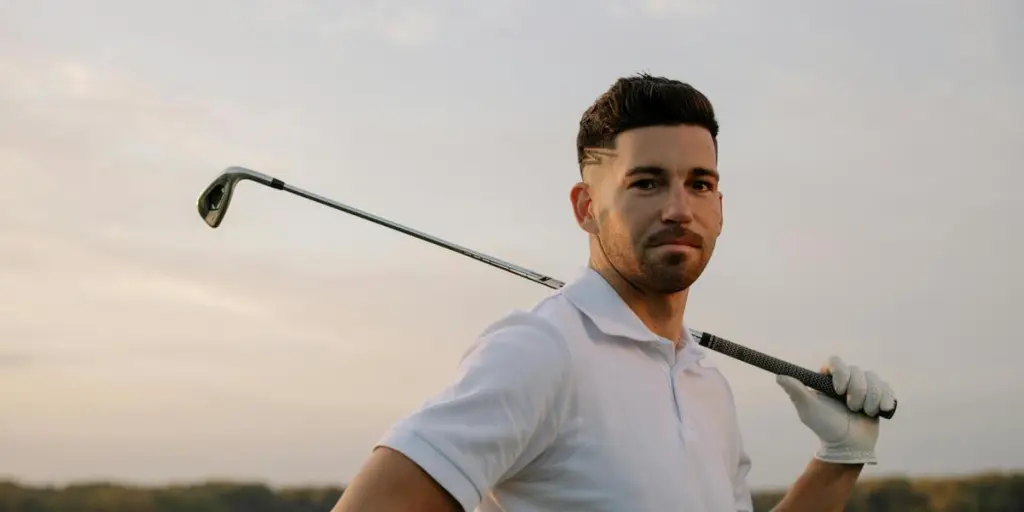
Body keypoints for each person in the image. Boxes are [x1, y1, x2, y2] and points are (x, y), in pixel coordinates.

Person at [331, 73, 896, 512]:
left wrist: (840, 459)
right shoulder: (539, 351)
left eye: (700, 184)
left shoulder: (709, 386)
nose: (679, 209)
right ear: (585, 208)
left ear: (719, 209)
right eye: (646, 183)